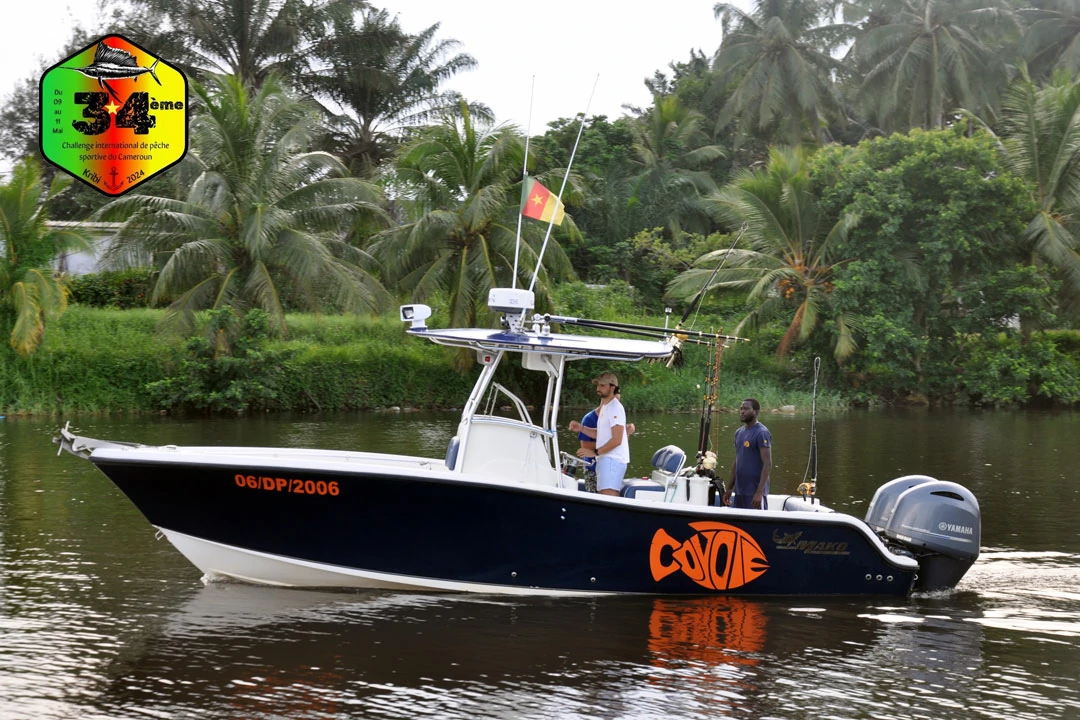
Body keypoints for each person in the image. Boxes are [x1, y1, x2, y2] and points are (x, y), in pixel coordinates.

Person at [569, 372, 630, 496]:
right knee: (604, 497)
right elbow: (601, 434)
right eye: (598, 385)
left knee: (609, 498)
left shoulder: (615, 408)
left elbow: (617, 439)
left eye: (602, 385)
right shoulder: (606, 407)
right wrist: (581, 428)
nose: (598, 388)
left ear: (612, 388)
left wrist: (595, 452)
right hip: (606, 460)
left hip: (613, 461)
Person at [724, 398, 772, 510]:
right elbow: (737, 461)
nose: (742, 411)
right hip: (740, 491)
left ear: (755, 411)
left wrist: (759, 493)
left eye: (746, 409)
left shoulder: (762, 433)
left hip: (754, 492)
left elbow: (767, 464)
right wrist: (730, 488)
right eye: (741, 409)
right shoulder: (738, 433)